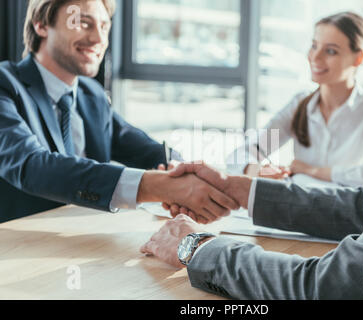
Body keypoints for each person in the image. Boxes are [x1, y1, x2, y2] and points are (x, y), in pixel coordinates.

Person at [142, 0, 363, 299]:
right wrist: (238, 187)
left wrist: (197, 247)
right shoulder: (301, 105)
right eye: (314, 46)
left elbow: (335, 285)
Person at [0, 0, 239, 223]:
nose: (98, 38)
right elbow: (30, 166)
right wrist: (156, 187)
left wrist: (186, 173)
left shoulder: (90, 94)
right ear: (41, 25)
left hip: (84, 241)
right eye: (83, 22)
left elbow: (142, 148)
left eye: (104, 26)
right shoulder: (6, 85)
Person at [227, 12, 363, 189]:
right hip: (294, 212)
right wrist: (257, 169)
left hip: (347, 216)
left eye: (330, 51)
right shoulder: (300, 104)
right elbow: (238, 156)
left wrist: (315, 171)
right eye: (314, 46)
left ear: (358, 57)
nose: (315, 57)